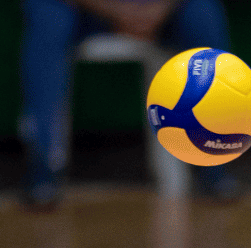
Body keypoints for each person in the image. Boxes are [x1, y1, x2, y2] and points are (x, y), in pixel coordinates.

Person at [20, 0, 239, 208]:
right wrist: (118, 11)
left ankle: (214, 161)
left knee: (202, 10)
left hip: (162, 12)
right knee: (46, 12)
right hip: (86, 12)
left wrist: (157, 9)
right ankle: (44, 171)